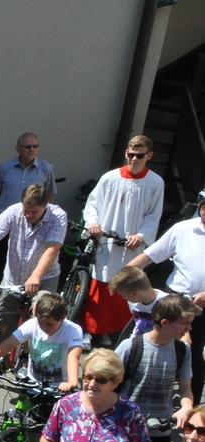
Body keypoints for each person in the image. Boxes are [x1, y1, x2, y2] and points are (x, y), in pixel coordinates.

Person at [79, 135, 165, 343]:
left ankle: (120, 333)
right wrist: (93, 222)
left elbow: (154, 215)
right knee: (100, 286)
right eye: (131, 154)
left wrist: (141, 235)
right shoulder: (110, 178)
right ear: (126, 153)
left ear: (149, 156)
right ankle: (92, 330)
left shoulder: (155, 183)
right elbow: (93, 204)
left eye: (140, 155)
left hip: (131, 246)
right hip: (107, 241)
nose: (134, 159)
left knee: (129, 285)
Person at [40, 348, 151, 442]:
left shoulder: (130, 413)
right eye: (88, 377)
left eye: (101, 380)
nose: (92, 384)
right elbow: (48, 439)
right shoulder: (66, 405)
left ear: (114, 383)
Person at [129, 189, 205, 403]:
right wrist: (124, 274)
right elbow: (149, 256)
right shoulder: (183, 229)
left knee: (195, 357)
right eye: (204, 207)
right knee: (157, 348)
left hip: (203, 307)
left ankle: (191, 406)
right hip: (176, 299)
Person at [114, 295, 196, 442]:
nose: (189, 328)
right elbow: (107, 383)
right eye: (185, 323)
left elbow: (186, 389)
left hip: (159, 433)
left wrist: (186, 407)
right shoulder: (131, 346)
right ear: (165, 322)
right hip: (125, 431)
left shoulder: (182, 350)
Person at [0, 183, 68, 298]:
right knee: (1, 309)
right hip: (13, 279)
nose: (28, 215)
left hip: (44, 278)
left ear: (45, 206)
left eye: (34, 212)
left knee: (42, 308)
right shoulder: (12, 212)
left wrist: (36, 276)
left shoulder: (58, 216)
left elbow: (52, 250)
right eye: (26, 210)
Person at [0, 291, 83, 390]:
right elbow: (7, 345)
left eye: (49, 324)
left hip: (59, 386)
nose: (44, 328)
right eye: (41, 323)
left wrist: (72, 382)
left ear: (62, 318)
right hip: (33, 382)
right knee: (22, 405)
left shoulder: (73, 330)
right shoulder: (32, 324)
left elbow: (73, 356)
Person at [0, 132, 57, 210]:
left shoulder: (47, 168)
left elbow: (48, 195)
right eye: (27, 147)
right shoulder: (4, 167)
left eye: (35, 146)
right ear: (18, 149)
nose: (32, 149)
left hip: (32, 216)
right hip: (5, 214)